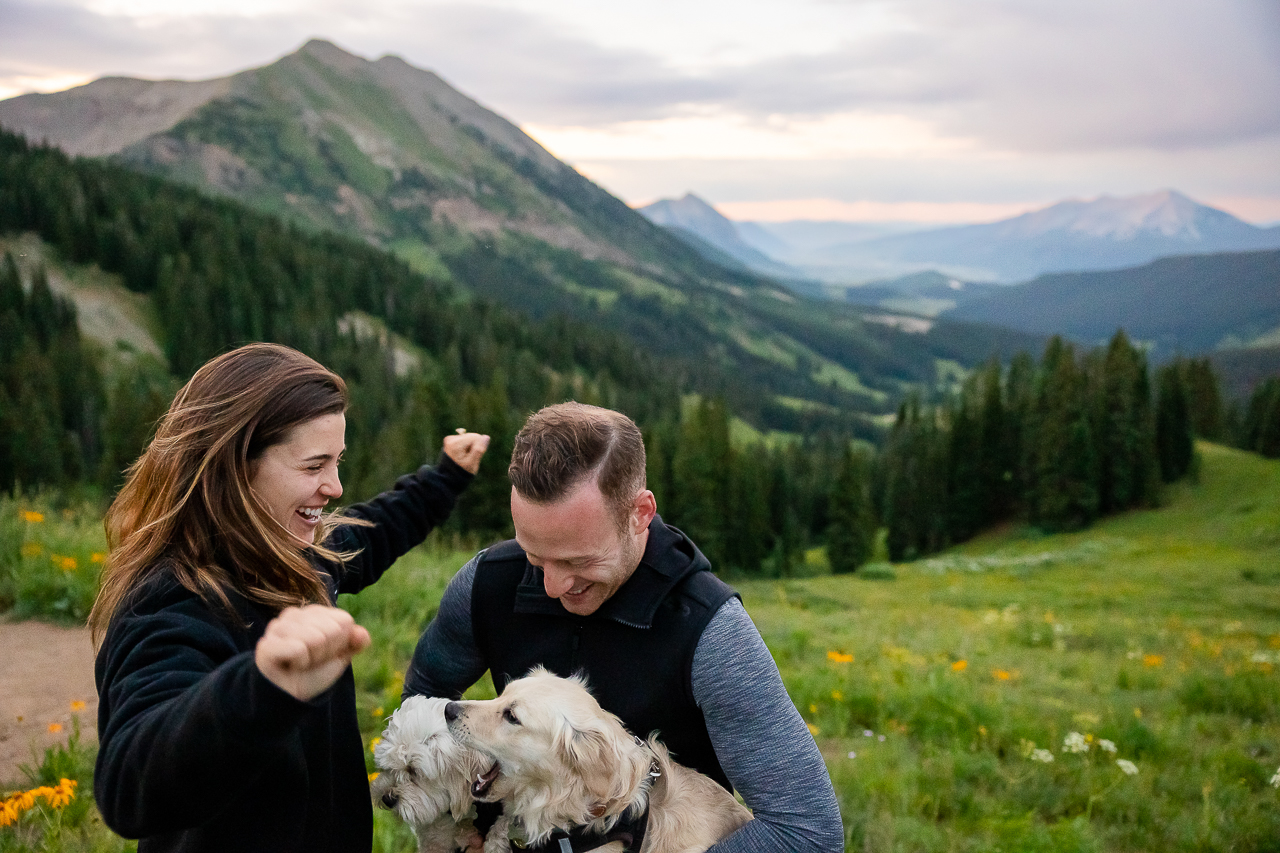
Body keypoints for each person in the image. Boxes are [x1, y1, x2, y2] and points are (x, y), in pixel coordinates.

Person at [89, 342, 490, 853]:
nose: (335, 486)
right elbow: (129, 784)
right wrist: (261, 688)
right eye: (313, 466)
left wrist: (446, 478)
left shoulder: (294, 560)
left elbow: (373, 531)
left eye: (338, 462)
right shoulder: (171, 601)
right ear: (235, 468)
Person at [405, 402, 844, 853]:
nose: (553, 586)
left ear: (640, 513)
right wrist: (466, 825)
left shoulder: (710, 633)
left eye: (579, 561)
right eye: (534, 557)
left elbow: (807, 831)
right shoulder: (486, 584)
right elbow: (420, 705)